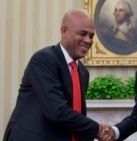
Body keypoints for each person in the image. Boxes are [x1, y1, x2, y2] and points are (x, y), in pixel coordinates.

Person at [3, 9, 111, 141]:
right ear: (64, 31)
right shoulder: (44, 59)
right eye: (82, 34)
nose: (88, 40)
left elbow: (76, 115)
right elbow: (57, 111)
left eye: (91, 36)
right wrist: (97, 129)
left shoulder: (82, 72)